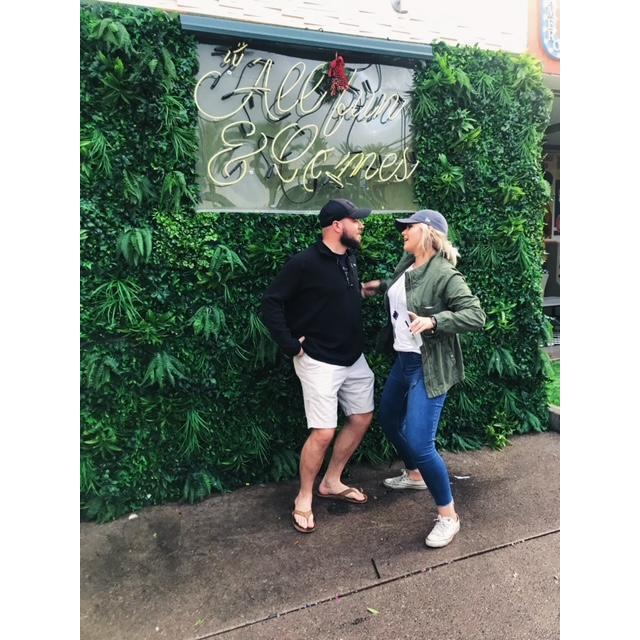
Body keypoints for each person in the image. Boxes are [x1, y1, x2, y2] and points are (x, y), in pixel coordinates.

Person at [362, 209, 485, 548]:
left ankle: (449, 516)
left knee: (421, 442)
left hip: (427, 366)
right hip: (403, 361)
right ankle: (415, 474)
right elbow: (405, 289)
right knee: (389, 419)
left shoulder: (444, 273)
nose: (403, 232)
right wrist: (381, 286)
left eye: (409, 227)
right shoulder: (408, 264)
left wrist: (435, 322)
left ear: (429, 233)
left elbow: (476, 315)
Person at [262, 198, 375, 534]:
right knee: (323, 432)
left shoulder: (349, 258)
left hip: (353, 357)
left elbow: (331, 297)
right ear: (337, 225)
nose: (361, 225)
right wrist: (290, 344)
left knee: (362, 417)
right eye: (356, 220)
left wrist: (361, 292)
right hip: (319, 360)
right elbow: (271, 302)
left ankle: (332, 481)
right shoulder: (304, 262)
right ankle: (304, 496)